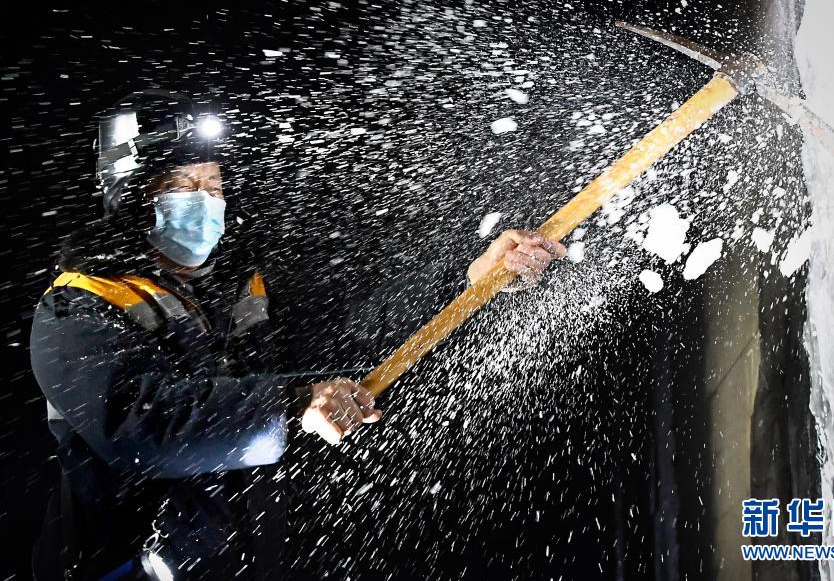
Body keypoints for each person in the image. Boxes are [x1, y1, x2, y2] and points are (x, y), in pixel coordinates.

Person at [29, 89, 566, 579]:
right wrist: (291, 403)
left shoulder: (244, 287)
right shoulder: (78, 305)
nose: (205, 200)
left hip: (241, 562)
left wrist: (470, 280)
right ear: (130, 194)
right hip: (119, 567)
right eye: (181, 186)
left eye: (213, 185)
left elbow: (360, 334)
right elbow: (140, 425)